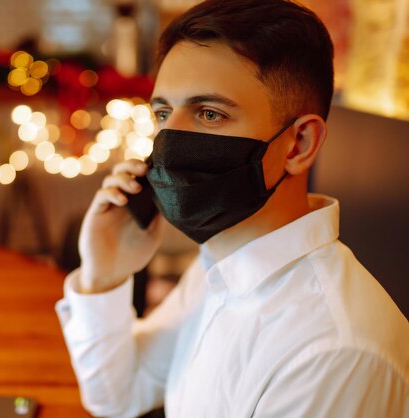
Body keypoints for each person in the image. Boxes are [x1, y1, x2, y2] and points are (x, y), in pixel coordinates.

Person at [55, 0, 409, 417]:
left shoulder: (333, 351)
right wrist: (104, 275)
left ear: (299, 145)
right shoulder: (220, 263)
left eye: (209, 113)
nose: (169, 141)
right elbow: (118, 397)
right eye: (164, 113)